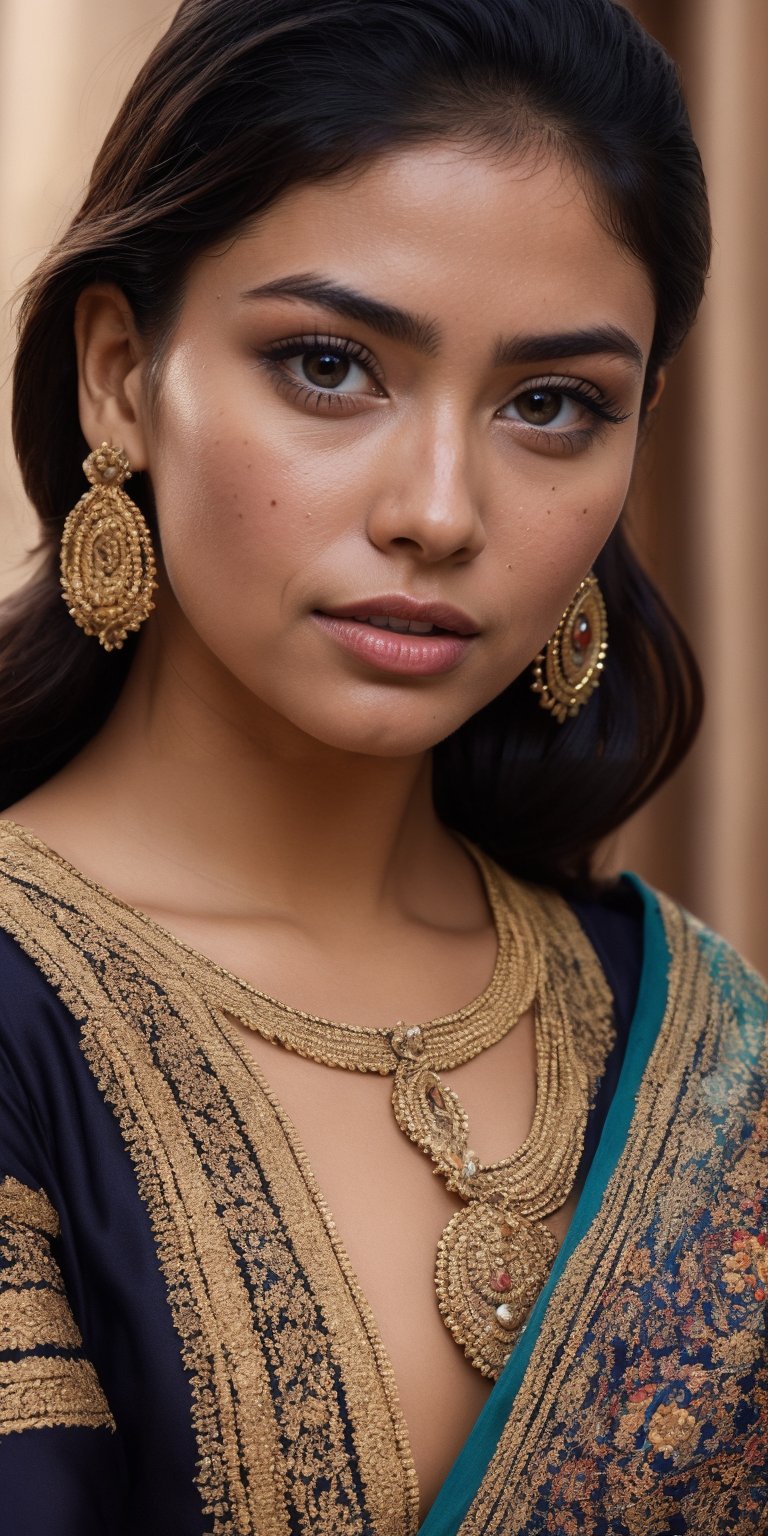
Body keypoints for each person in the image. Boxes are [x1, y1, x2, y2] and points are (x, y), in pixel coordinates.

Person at [0, 0, 765, 1530]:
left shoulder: (702, 1045)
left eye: (552, 407)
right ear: (118, 377)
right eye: (331, 365)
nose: (438, 509)